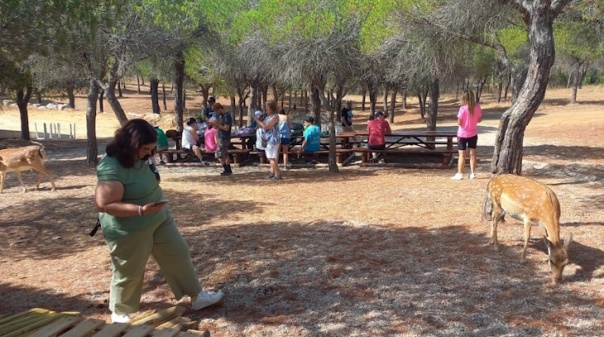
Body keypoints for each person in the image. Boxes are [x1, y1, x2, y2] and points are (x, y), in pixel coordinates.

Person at [94, 119, 224, 323]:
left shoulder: (143, 157)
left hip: (158, 218)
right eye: (146, 148)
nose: (150, 153)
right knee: (130, 268)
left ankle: (197, 296)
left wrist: (150, 208)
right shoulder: (111, 165)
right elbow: (105, 204)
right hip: (128, 227)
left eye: (152, 148)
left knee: (178, 254)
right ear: (131, 144)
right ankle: (120, 311)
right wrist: (139, 210)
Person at [452, 90, 482, 180]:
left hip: (462, 134)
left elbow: (459, 122)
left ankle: (460, 173)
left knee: (462, 154)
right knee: (472, 154)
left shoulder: (463, 108)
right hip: (473, 133)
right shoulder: (477, 107)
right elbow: (479, 120)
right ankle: (472, 173)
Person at [254, 100, 282, 180]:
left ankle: (278, 173)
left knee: (271, 157)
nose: (265, 109)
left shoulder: (274, 117)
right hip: (268, 140)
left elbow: (266, 127)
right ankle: (272, 172)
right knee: (272, 157)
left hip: (272, 140)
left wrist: (257, 120)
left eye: (267, 107)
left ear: (271, 108)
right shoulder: (268, 117)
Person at [210, 103, 233, 176]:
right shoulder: (221, 116)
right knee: (225, 154)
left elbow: (226, 128)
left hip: (224, 137)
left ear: (219, 109)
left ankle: (225, 168)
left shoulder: (226, 116)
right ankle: (228, 169)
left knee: (219, 154)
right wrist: (215, 124)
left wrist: (218, 125)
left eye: (216, 111)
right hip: (221, 136)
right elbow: (220, 126)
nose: (216, 113)